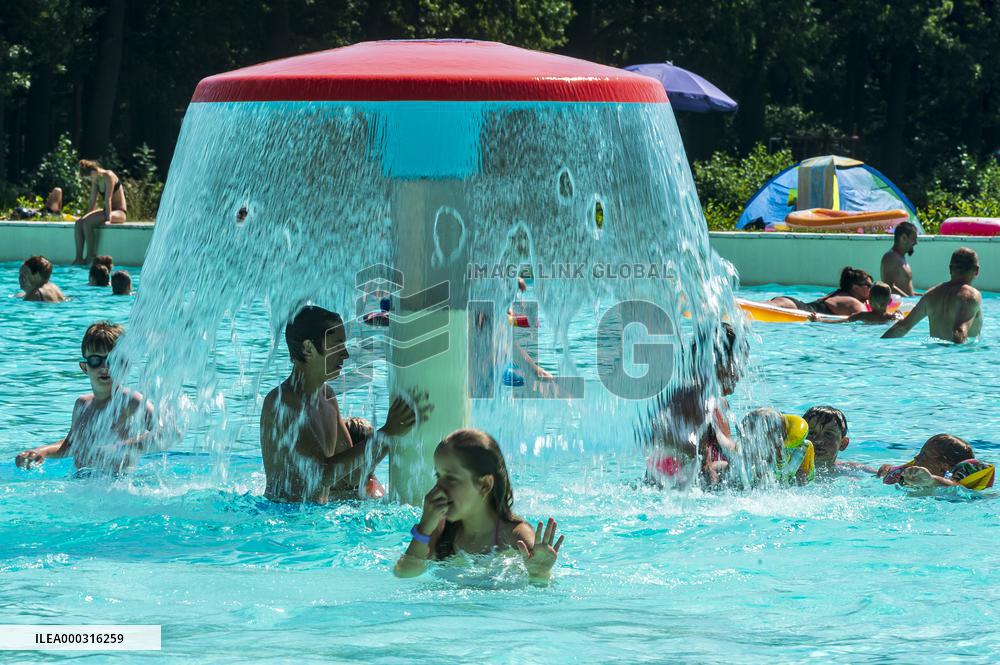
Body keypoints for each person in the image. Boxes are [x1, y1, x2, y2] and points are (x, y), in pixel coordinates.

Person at [259, 305, 424, 504]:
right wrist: (386, 433)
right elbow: (320, 475)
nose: (345, 354)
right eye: (337, 346)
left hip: (314, 517)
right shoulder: (281, 403)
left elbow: (353, 475)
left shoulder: (327, 396)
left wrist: (396, 431)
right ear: (308, 348)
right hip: (282, 516)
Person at [394, 428, 564, 585]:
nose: (439, 488)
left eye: (451, 479)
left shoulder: (514, 535)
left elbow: (538, 585)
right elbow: (404, 572)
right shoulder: (441, 528)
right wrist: (424, 528)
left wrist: (540, 573)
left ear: (485, 485)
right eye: (438, 476)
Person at [15, 321, 155, 473]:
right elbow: (71, 445)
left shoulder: (130, 401)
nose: (105, 367)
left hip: (117, 481)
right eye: (96, 361)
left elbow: (163, 433)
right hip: (81, 480)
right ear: (85, 367)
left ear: (125, 365)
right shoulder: (82, 405)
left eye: (112, 361)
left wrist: (119, 447)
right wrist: (41, 451)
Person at [882, 248, 982, 343]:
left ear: (950, 269)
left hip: (933, 354)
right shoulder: (971, 296)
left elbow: (902, 326)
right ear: (977, 270)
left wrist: (880, 345)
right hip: (958, 354)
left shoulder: (930, 294)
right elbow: (959, 332)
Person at [73, 159, 127, 265]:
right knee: (79, 223)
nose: (90, 180)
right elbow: (92, 201)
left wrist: (108, 218)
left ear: (93, 172)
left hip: (119, 212)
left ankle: (90, 256)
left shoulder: (108, 175)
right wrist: (85, 217)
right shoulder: (96, 180)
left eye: (89, 178)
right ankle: (78, 258)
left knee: (87, 224)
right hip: (107, 210)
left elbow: (108, 199)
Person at [877, 434, 979, 489]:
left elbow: (955, 487)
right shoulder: (911, 471)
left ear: (944, 466)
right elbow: (887, 468)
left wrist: (931, 480)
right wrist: (885, 470)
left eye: (924, 455)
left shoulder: (959, 490)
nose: (916, 457)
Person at [766, 267, 873, 316]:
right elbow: (867, 320)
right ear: (855, 287)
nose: (871, 289)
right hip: (796, 309)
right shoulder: (853, 302)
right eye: (868, 286)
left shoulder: (838, 294)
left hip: (792, 303)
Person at [802, 406, 874, 475]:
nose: (819, 440)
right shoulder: (794, 467)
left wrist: (881, 472)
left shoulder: (850, 469)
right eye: (811, 433)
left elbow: (878, 474)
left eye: (828, 434)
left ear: (843, 444)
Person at [808, 282, 901, 324]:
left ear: (869, 299)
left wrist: (819, 320)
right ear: (890, 301)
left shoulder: (861, 316)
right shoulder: (893, 317)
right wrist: (899, 315)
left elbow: (840, 322)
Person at [880, 222, 918, 296]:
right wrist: (910, 299)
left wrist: (917, 297)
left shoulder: (900, 257)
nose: (916, 242)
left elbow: (904, 289)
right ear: (903, 238)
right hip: (900, 303)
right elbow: (889, 287)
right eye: (913, 239)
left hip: (906, 302)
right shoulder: (891, 258)